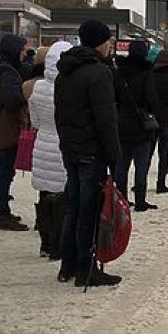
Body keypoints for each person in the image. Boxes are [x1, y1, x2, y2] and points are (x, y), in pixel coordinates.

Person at [55, 19, 122, 287]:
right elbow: (106, 119)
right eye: (108, 42)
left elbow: (60, 114)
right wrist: (114, 154)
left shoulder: (65, 71)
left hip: (71, 149)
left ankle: (67, 264)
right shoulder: (98, 73)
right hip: (92, 151)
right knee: (89, 210)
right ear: (100, 43)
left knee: (73, 207)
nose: (110, 47)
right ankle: (86, 268)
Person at [30, 41, 72, 259]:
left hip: (42, 143)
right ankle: (59, 242)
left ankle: (45, 241)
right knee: (64, 197)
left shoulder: (37, 87)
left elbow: (34, 121)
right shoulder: (70, 87)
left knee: (44, 194)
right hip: (62, 144)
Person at [0, 33, 29, 231]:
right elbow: (12, 99)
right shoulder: (9, 73)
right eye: (21, 49)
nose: (24, 53)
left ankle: (2, 209)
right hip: (8, 128)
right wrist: (24, 97)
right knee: (4, 171)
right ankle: (2, 213)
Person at [115, 40, 158, 211]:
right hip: (141, 126)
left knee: (122, 166)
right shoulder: (146, 73)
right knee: (141, 166)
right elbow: (152, 100)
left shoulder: (119, 72)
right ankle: (140, 200)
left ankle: (121, 200)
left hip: (121, 125)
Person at [150, 50, 168, 193]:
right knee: (164, 152)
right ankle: (161, 183)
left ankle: (140, 182)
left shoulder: (151, 76)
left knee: (147, 152)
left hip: (153, 118)